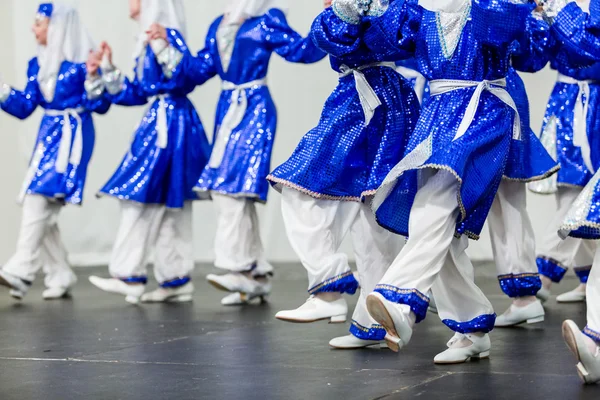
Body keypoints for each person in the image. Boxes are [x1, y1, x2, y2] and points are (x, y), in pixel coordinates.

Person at [341, 0, 537, 363]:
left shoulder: (488, 6)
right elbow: (388, 45)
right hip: (436, 117)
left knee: (437, 203)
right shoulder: (424, 9)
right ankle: (471, 327)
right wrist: (367, 11)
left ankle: (398, 301)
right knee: (434, 221)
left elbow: (510, 34)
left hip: (482, 113)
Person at [267, 0, 419, 349]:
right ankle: (339, 296)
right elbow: (325, 37)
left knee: (372, 219)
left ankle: (354, 309)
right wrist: (350, 9)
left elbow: (401, 40)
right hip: (354, 96)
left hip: (384, 101)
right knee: (306, 188)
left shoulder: (399, 6)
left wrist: (370, 10)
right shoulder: (344, 6)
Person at [165, 0, 326, 306]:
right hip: (228, 111)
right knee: (233, 191)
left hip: (254, 110)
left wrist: (331, 20)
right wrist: (166, 46)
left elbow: (302, 51)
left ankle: (236, 266)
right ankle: (255, 273)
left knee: (232, 190)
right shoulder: (219, 24)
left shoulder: (265, 21)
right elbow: (198, 70)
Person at [88, 0, 211, 304]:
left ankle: (129, 273)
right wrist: (107, 69)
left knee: (142, 196)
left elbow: (187, 76)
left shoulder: (167, 35)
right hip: (166, 123)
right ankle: (175, 278)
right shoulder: (148, 41)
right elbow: (137, 92)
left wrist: (162, 45)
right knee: (169, 202)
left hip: (170, 126)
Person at [0, 3, 110, 300]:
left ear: (57, 26)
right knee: (41, 205)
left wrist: (93, 77)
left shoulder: (81, 64)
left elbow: (100, 104)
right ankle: (59, 272)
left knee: (38, 198)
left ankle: (22, 267)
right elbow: (25, 106)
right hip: (48, 139)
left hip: (72, 139)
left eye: (39, 23)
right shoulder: (38, 66)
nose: (33, 29)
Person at [536, 0, 600, 385]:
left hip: (590, 105)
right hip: (570, 103)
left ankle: (538, 278)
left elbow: (592, 50)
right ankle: (595, 340)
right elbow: (536, 54)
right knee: (580, 202)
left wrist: (560, 13)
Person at [489, 12, 559, 327]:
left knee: (507, 199)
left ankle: (524, 294)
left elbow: (530, 53)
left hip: (496, 97)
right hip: (457, 100)